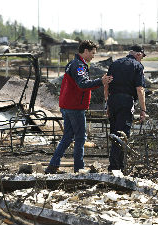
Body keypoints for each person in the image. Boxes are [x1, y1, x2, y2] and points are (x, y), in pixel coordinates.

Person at [45, 40, 113, 174]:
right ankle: (79, 168)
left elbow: (81, 84)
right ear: (86, 51)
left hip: (67, 105)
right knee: (80, 137)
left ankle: (53, 165)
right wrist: (101, 81)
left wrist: (98, 82)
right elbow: (82, 84)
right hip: (75, 107)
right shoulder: (80, 65)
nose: (93, 56)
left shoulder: (73, 63)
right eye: (92, 53)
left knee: (68, 136)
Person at [105, 45, 147, 172]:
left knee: (114, 133)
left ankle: (117, 165)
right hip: (126, 101)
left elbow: (106, 83)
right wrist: (143, 110)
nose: (141, 59)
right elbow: (140, 89)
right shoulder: (137, 66)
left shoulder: (115, 64)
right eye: (142, 57)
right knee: (123, 134)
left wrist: (107, 104)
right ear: (138, 54)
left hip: (113, 101)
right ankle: (116, 167)